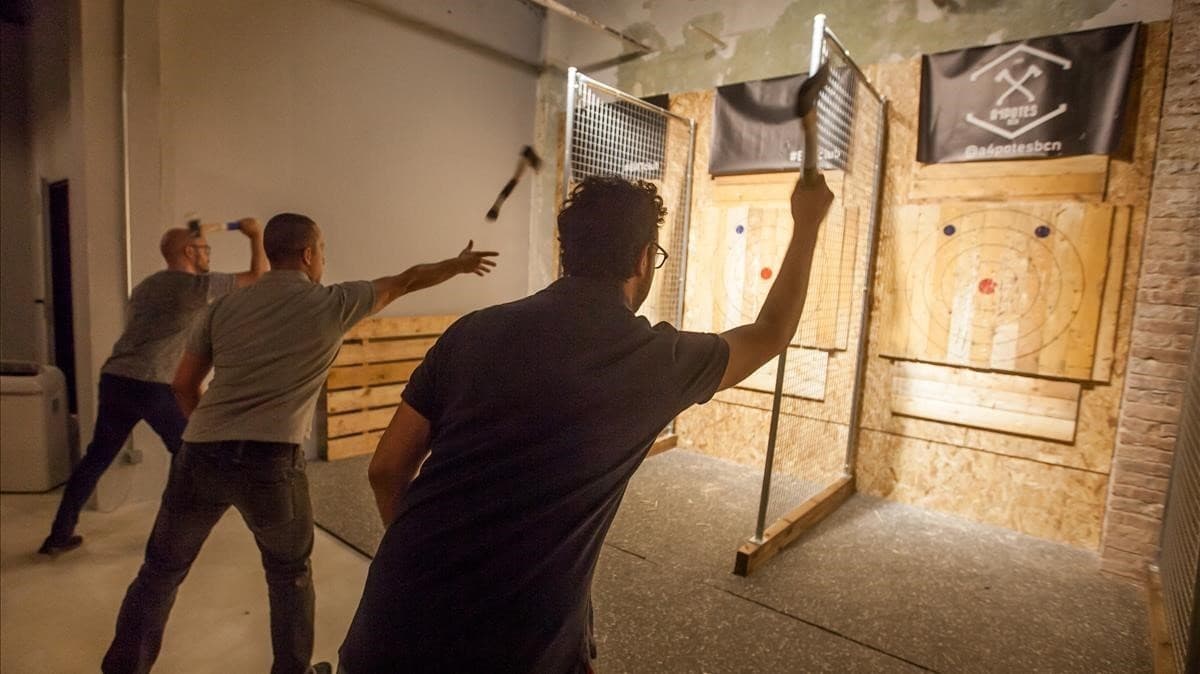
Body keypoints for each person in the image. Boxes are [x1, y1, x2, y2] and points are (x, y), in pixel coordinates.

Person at [337, 173, 834, 672]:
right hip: (516, 648)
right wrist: (807, 225)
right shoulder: (655, 361)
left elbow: (385, 468)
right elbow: (769, 333)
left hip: (388, 625)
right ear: (643, 259)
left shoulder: (471, 330)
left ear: (567, 252)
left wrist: (423, 561)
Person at [100, 212, 498, 674]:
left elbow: (184, 384)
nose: (323, 259)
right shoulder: (333, 303)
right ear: (309, 254)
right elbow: (408, 280)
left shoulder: (224, 307)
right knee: (289, 575)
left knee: (160, 572)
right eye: (323, 250)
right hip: (271, 463)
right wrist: (459, 263)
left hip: (199, 453)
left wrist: (209, 433)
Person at [40, 220, 267, 556]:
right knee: (189, 456)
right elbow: (258, 278)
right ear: (189, 252)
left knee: (97, 457)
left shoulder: (146, 286)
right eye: (205, 250)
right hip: (152, 384)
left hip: (117, 378)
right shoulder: (192, 287)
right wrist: (256, 235)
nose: (208, 255)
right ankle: (170, 539)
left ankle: (59, 535)